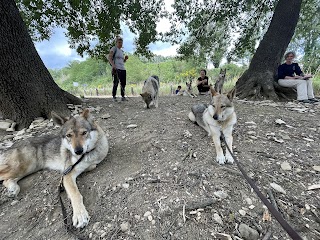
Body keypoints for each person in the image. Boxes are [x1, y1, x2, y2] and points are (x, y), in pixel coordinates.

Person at [109, 36, 129, 102]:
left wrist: (125, 59)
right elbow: (110, 57)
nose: (120, 44)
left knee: (123, 83)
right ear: (116, 43)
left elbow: (122, 61)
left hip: (122, 68)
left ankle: (123, 96)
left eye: (121, 43)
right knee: (116, 83)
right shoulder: (114, 49)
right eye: (119, 42)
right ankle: (114, 96)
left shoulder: (121, 51)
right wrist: (113, 65)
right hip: (116, 68)